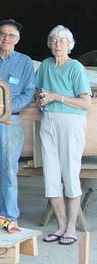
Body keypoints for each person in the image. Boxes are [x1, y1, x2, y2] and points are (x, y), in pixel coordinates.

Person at [36, 25, 91, 246]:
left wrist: (56, 97)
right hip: (48, 121)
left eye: (62, 40)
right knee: (50, 175)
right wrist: (40, 99)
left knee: (70, 173)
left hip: (71, 122)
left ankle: (71, 228)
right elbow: (38, 91)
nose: (57, 44)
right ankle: (60, 226)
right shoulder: (46, 65)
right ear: (49, 44)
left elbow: (85, 102)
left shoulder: (75, 67)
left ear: (69, 45)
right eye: (54, 40)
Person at [0, 19, 35, 222]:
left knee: (8, 170)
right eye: (3, 34)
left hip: (10, 122)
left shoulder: (24, 62)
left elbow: (28, 93)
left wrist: (5, 109)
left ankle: (9, 216)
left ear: (18, 39)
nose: (6, 38)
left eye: (11, 35)